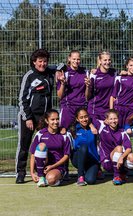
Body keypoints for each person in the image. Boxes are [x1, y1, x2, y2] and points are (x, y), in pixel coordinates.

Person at [16, 48, 65, 184]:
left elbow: (62, 65)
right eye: (40, 61)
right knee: (24, 145)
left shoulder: (49, 71)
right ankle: (20, 173)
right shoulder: (29, 76)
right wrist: (28, 118)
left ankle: (43, 171)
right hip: (29, 117)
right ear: (34, 62)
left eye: (45, 61)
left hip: (44, 118)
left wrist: (58, 71)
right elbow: (22, 99)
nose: (42, 64)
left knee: (45, 144)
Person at [93, 109, 133, 185]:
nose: (113, 121)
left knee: (132, 157)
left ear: (118, 119)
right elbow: (90, 118)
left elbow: (129, 148)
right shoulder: (102, 127)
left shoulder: (122, 131)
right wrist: (101, 123)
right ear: (107, 120)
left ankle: (122, 173)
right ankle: (116, 176)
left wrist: (121, 157)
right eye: (111, 119)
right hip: (107, 161)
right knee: (119, 148)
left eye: (115, 118)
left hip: (118, 159)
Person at [29, 109, 70, 187]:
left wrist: (52, 166)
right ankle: (41, 177)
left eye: (57, 119)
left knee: (51, 180)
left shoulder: (65, 135)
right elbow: (33, 154)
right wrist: (32, 173)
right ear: (47, 121)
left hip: (57, 166)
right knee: (41, 146)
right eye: (52, 119)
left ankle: (56, 177)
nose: (56, 122)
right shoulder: (40, 134)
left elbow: (66, 156)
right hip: (42, 165)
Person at [56, 50, 88, 129]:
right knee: (64, 131)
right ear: (69, 59)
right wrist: (63, 83)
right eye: (74, 59)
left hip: (81, 107)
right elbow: (59, 96)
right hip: (68, 107)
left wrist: (88, 86)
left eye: (78, 59)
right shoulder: (64, 72)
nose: (76, 61)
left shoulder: (85, 72)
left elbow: (87, 94)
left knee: (80, 133)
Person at [69, 107, 100, 186]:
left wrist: (92, 126)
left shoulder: (94, 128)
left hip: (91, 160)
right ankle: (80, 176)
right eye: (81, 117)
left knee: (90, 180)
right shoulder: (73, 129)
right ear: (77, 119)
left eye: (86, 116)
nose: (84, 119)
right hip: (78, 158)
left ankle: (91, 171)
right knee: (83, 146)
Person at [110, 56, 133, 129]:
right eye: (131, 65)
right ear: (127, 66)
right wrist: (111, 112)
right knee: (117, 129)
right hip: (119, 108)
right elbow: (113, 96)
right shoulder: (120, 78)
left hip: (131, 109)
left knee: (128, 130)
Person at [86, 51, 116, 121]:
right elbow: (87, 97)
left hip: (108, 110)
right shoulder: (94, 75)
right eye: (105, 60)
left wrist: (125, 72)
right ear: (100, 61)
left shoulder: (114, 72)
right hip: (95, 110)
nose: (107, 62)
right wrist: (88, 86)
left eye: (109, 60)